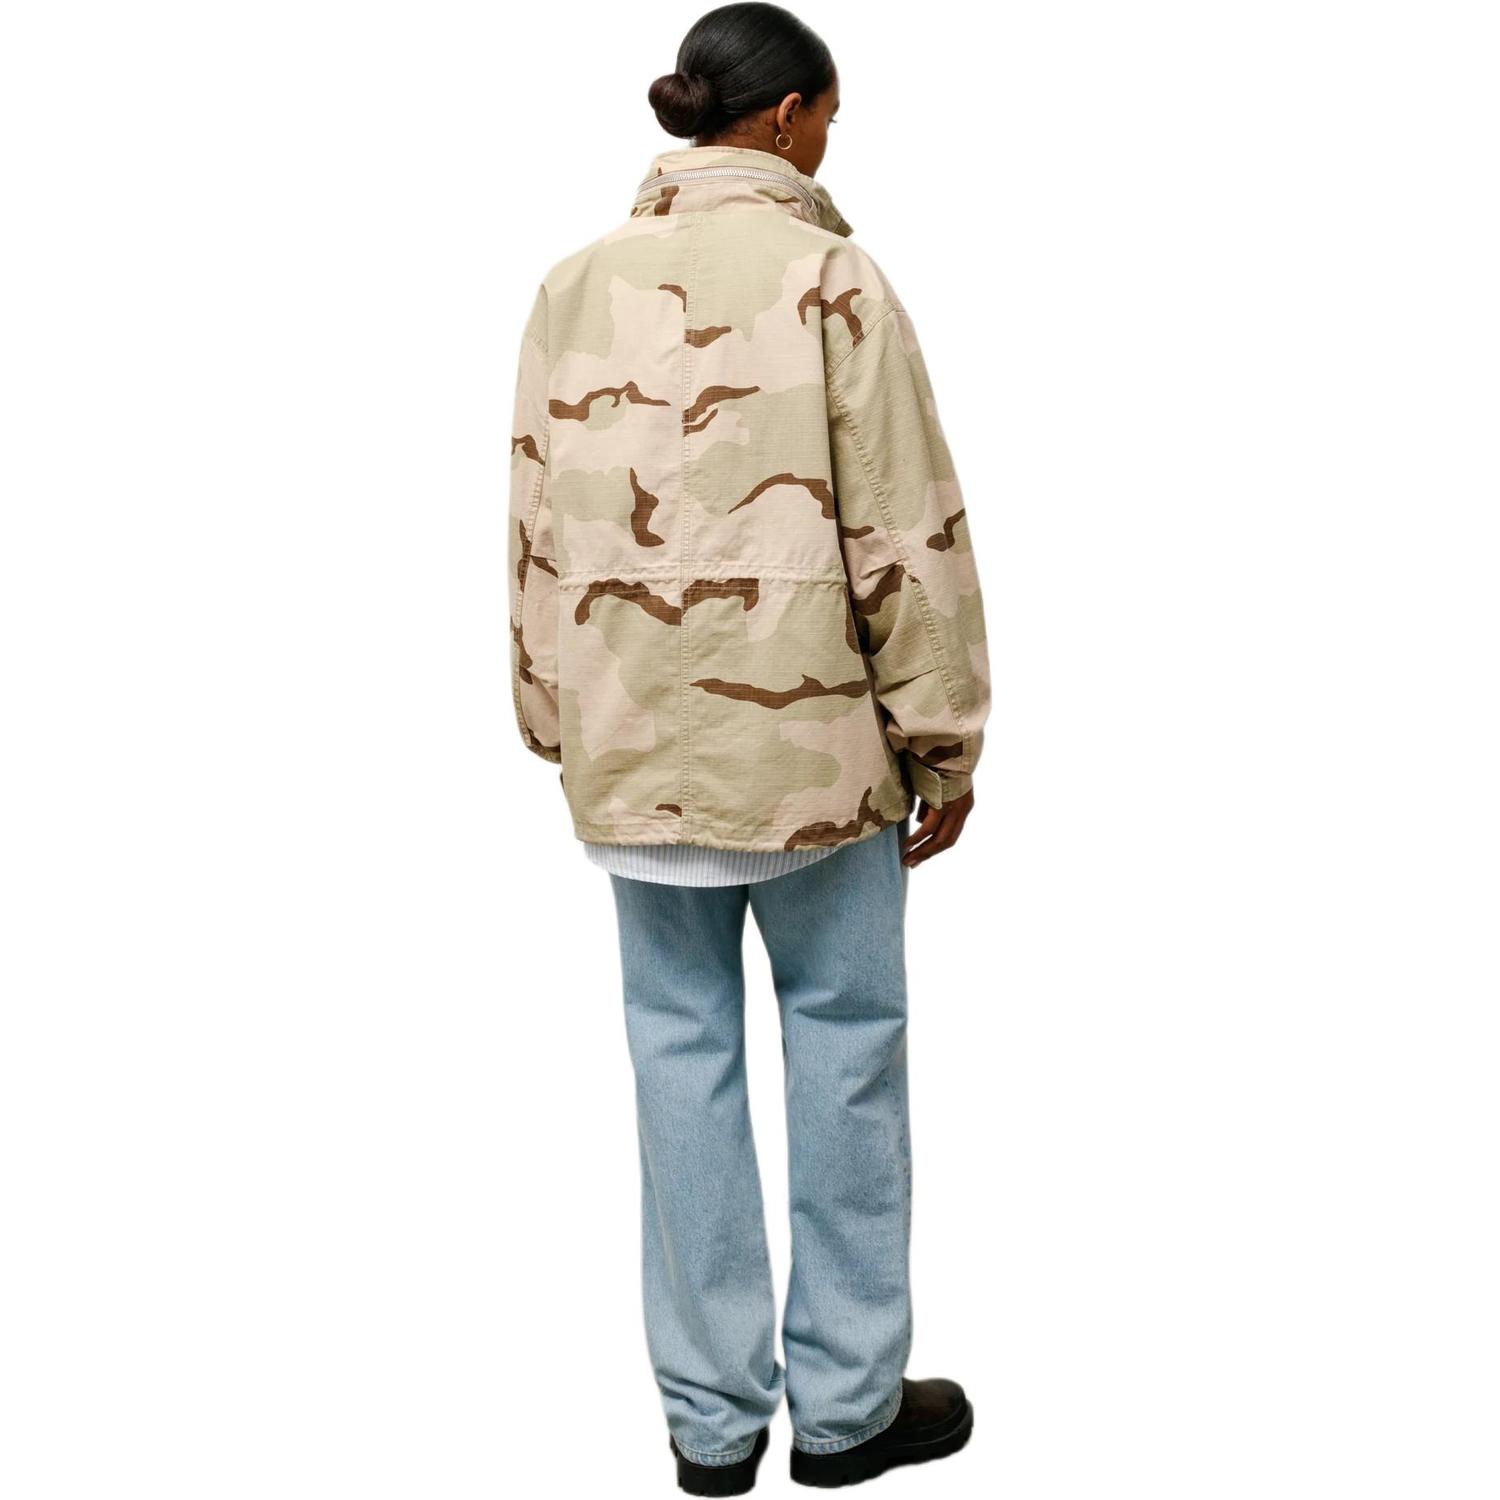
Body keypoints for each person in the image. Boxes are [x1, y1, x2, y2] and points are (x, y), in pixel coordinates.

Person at [506, 4, 990, 1490]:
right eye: (830, 117)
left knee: (678, 1060)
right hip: (812, 756)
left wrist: (555, 714)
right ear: (785, 118)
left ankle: (712, 1428)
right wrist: (943, 738)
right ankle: (846, 1410)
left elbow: (533, 517)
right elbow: (902, 522)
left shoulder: (572, 284)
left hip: (633, 747)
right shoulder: (833, 277)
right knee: (846, 1054)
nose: (831, 143)